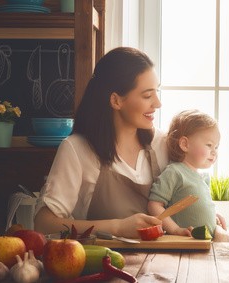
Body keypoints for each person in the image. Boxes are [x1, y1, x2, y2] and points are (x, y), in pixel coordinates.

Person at [34, 47, 168, 239]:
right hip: (101, 266)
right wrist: (117, 227)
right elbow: (43, 224)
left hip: (162, 266)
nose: (158, 103)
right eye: (147, 95)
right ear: (116, 100)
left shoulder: (162, 144)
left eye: (157, 92)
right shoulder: (77, 149)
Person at [148, 110, 229, 242]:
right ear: (185, 144)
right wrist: (175, 229)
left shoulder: (203, 178)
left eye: (216, 147)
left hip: (206, 243)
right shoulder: (174, 172)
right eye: (209, 145)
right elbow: (154, 206)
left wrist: (213, 216)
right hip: (185, 244)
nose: (214, 152)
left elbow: (196, 209)